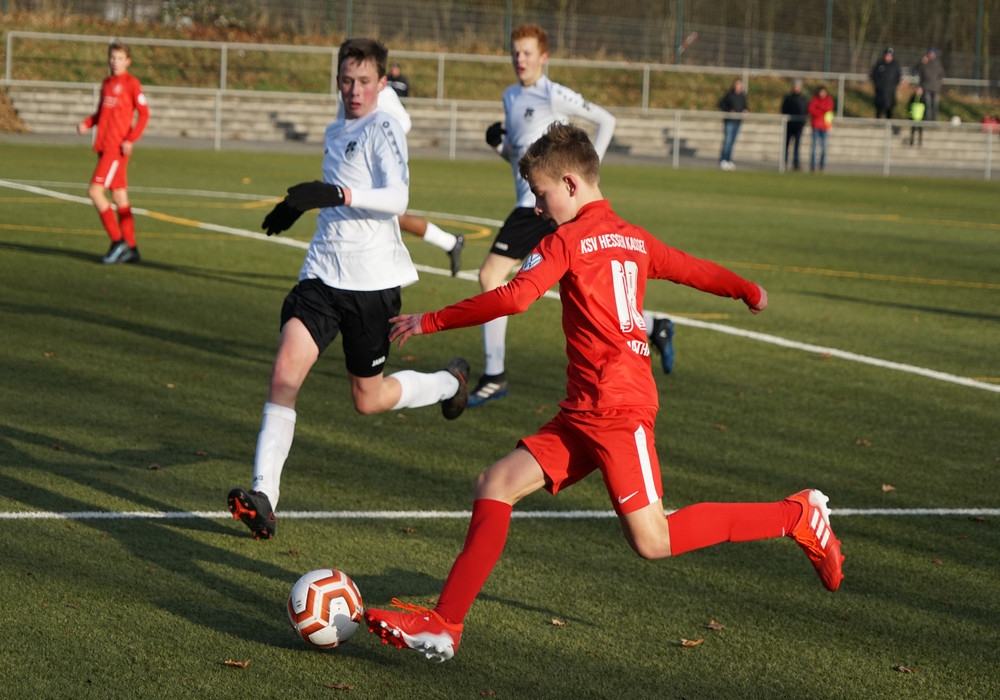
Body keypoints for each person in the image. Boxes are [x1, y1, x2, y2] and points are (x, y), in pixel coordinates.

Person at [363, 123, 844, 662]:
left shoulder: (564, 240)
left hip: (618, 409)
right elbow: (693, 269)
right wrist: (747, 290)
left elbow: (515, 298)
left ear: (570, 184)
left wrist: (431, 320)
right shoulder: (634, 238)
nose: (537, 208)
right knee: (495, 483)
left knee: (653, 540)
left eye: (541, 194)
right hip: (583, 410)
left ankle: (797, 515)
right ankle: (444, 624)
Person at [227, 38, 470, 540]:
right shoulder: (336, 127)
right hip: (322, 275)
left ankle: (449, 383)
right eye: (346, 80)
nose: (354, 90)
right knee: (284, 373)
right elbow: (337, 188)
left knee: (368, 398)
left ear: (382, 82)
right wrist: (299, 204)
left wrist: (336, 193)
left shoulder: (384, 127)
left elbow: (398, 198)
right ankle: (264, 496)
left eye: (364, 81)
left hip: (372, 284)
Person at [470, 23, 618, 407]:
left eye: (527, 53)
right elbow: (519, 159)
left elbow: (606, 121)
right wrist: (499, 146)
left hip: (536, 208)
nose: (520, 59)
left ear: (544, 57)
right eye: (515, 52)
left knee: (490, 276)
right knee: (582, 286)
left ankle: (494, 374)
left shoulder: (554, 94)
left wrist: (588, 173)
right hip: (535, 203)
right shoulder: (509, 96)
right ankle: (655, 326)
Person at [336, 85, 465, 276]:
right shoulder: (345, 94)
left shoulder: (384, 93)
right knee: (380, 219)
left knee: (383, 218)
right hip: (357, 166)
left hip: (381, 168)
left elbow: (404, 121)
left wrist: (379, 137)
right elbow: (342, 127)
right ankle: (450, 243)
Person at [76, 41, 150, 264]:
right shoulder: (107, 83)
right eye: (112, 57)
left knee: (95, 192)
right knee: (119, 196)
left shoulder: (131, 83)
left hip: (116, 149)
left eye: (119, 58)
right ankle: (132, 248)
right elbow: (101, 113)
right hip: (104, 145)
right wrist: (87, 123)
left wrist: (130, 139)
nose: (115, 62)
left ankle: (118, 242)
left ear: (128, 61)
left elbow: (144, 114)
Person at [718, 78, 748, 170]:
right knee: (727, 141)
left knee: (732, 142)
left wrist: (745, 110)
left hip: (738, 121)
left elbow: (745, 106)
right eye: (737, 84)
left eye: (740, 85)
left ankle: (729, 160)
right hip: (729, 121)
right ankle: (723, 160)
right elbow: (721, 104)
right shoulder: (729, 95)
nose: (738, 86)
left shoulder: (742, 95)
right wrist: (729, 111)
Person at [781, 79, 809, 171]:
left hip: (799, 126)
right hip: (789, 125)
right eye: (795, 86)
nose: (796, 88)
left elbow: (805, 111)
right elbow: (784, 109)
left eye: (798, 86)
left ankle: (796, 163)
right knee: (786, 145)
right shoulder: (788, 98)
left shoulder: (803, 99)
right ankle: (784, 162)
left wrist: (802, 122)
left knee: (797, 146)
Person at [807, 85, 834, 173]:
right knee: (814, 147)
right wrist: (821, 111)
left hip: (825, 127)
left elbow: (828, 109)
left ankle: (822, 166)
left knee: (824, 148)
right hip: (816, 126)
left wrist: (819, 109)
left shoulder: (828, 100)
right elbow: (811, 110)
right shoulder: (815, 100)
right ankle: (813, 166)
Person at [915, 47, 945, 122]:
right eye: (930, 53)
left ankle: (934, 120)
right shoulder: (924, 62)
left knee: (935, 104)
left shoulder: (938, 63)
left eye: (932, 53)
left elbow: (941, 74)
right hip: (926, 87)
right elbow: (917, 70)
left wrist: (938, 83)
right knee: (927, 103)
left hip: (935, 87)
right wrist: (921, 62)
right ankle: (927, 119)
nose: (931, 55)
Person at [871, 47, 901, 119]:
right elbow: (873, 75)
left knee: (889, 108)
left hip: (890, 92)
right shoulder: (879, 64)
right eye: (887, 55)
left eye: (889, 55)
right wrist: (878, 85)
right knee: (879, 108)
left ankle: (888, 122)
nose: (888, 57)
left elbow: (898, 76)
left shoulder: (895, 65)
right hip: (880, 91)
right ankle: (878, 122)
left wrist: (893, 85)